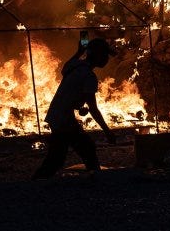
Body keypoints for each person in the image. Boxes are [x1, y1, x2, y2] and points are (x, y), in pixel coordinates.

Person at [32, 37, 117, 180]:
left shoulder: (75, 65)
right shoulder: (89, 76)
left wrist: (79, 51)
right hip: (63, 118)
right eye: (104, 55)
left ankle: (38, 181)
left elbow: (67, 71)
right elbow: (94, 109)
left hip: (57, 115)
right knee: (85, 148)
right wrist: (107, 131)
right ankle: (96, 179)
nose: (106, 59)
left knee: (59, 155)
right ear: (97, 55)